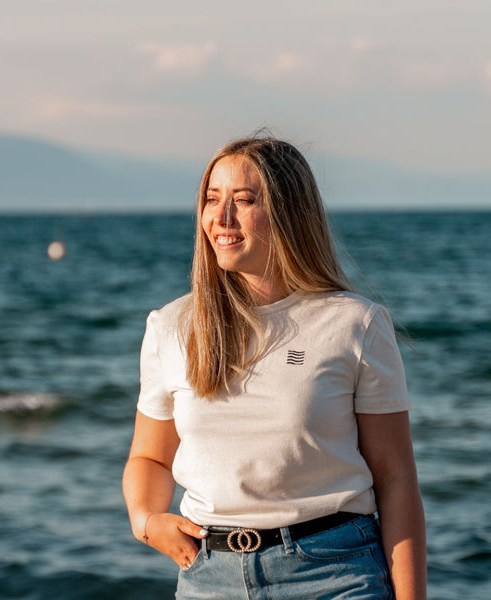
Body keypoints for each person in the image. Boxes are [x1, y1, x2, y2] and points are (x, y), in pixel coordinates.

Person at [122, 135, 426, 599]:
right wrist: (146, 521)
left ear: (289, 213)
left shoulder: (355, 324)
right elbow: (150, 457)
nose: (221, 218)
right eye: (212, 198)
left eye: (243, 200)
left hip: (334, 575)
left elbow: (396, 478)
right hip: (210, 578)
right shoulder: (171, 326)